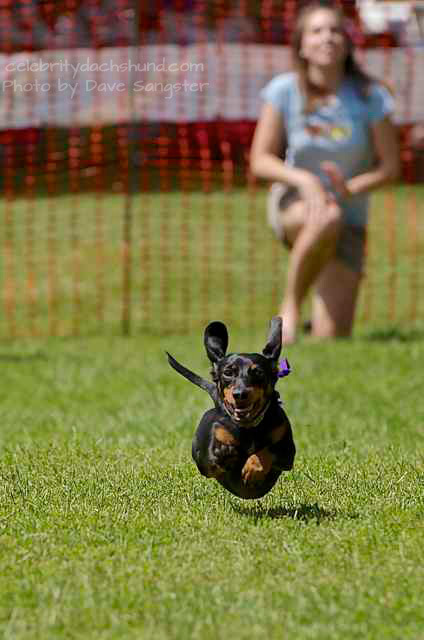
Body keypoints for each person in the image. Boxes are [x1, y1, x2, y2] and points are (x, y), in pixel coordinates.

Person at [249, 0, 400, 344]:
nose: (327, 38)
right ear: (302, 44)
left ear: (347, 43)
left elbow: (390, 168)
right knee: (325, 217)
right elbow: (260, 161)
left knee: (332, 339)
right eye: (317, 31)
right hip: (295, 206)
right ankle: (289, 307)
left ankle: (315, 319)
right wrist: (305, 180)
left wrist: (351, 187)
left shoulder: (371, 95)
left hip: (351, 214)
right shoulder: (284, 90)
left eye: (335, 30)